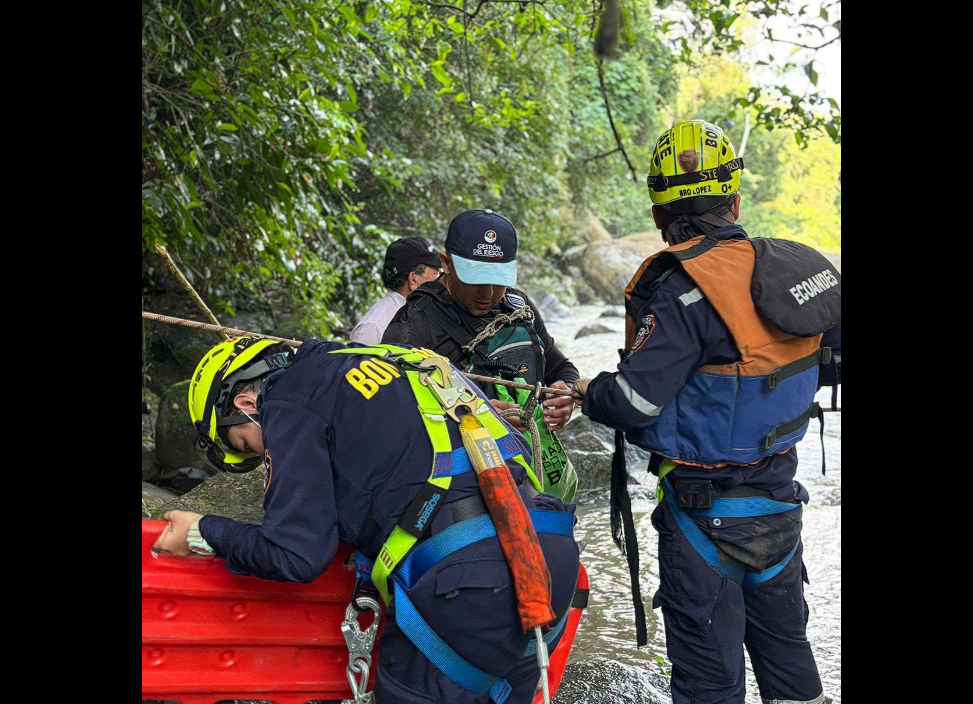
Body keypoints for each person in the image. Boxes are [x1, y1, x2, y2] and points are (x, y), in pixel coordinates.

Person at [152, 335, 580, 704]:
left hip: (469, 582)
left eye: (249, 444)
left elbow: (296, 554)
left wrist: (202, 532)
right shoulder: (388, 361)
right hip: (549, 555)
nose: (267, 455)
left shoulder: (287, 399)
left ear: (246, 404)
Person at [570, 120, 840, 704]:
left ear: (658, 216)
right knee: (790, 669)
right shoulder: (795, 272)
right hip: (780, 510)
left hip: (702, 523)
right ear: (735, 203)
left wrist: (589, 389)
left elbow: (631, 403)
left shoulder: (682, 293)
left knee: (709, 687)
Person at [383, 209, 580, 502]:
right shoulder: (413, 326)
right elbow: (390, 418)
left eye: (497, 279)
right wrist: (474, 417)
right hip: (461, 488)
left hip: (529, 474)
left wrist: (566, 394)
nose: (487, 293)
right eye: (475, 279)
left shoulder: (518, 307)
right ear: (446, 263)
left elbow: (560, 367)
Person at [349, 236, 442, 345]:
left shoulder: (419, 314)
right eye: (436, 274)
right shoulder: (373, 328)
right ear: (414, 279)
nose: (439, 280)